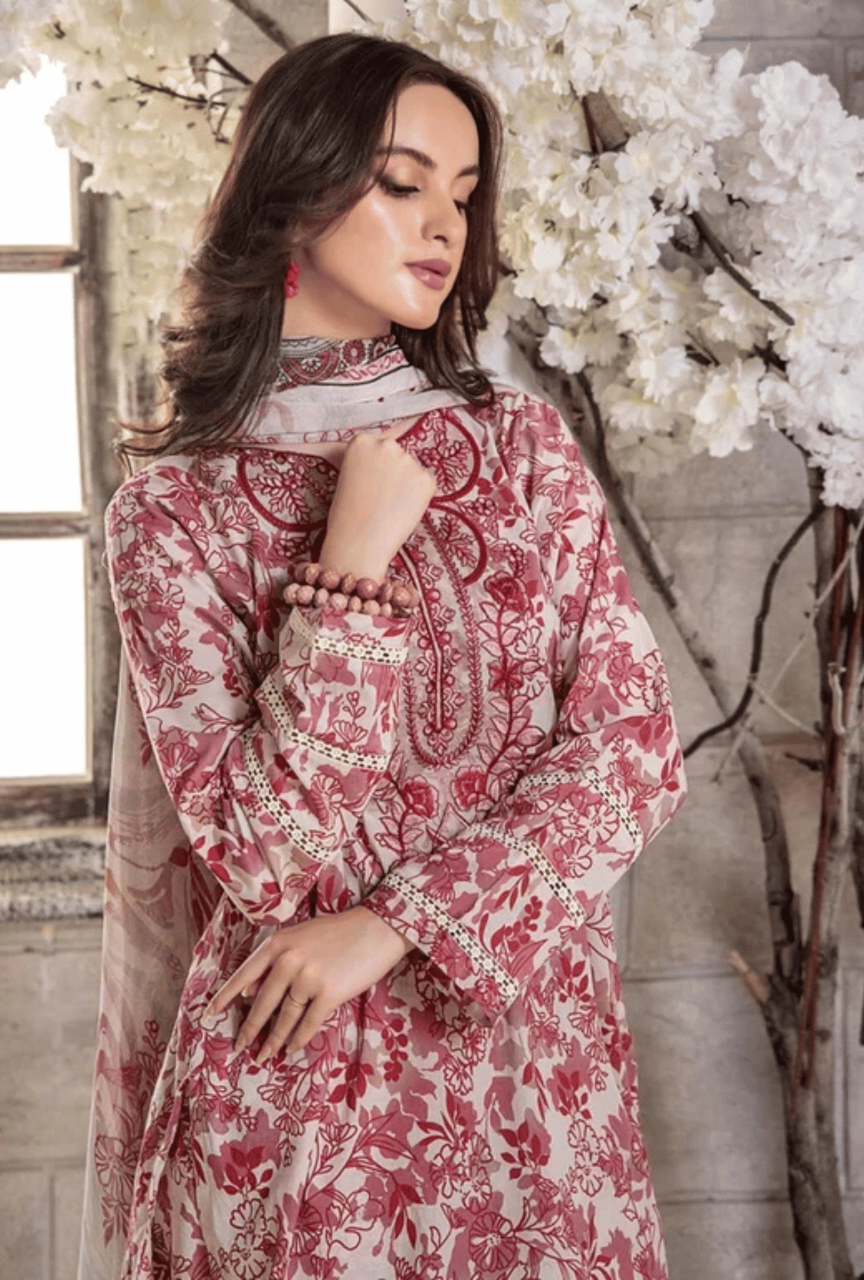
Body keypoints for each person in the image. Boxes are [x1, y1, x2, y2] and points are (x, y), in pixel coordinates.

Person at [78, 30, 686, 1280]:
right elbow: (258, 844)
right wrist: (349, 574)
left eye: (464, 195)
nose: (442, 226)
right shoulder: (174, 511)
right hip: (299, 1106)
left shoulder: (519, 446)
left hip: (534, 1088)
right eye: (402, 183)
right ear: (295, 190)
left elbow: (634, 757)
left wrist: (392, 923)